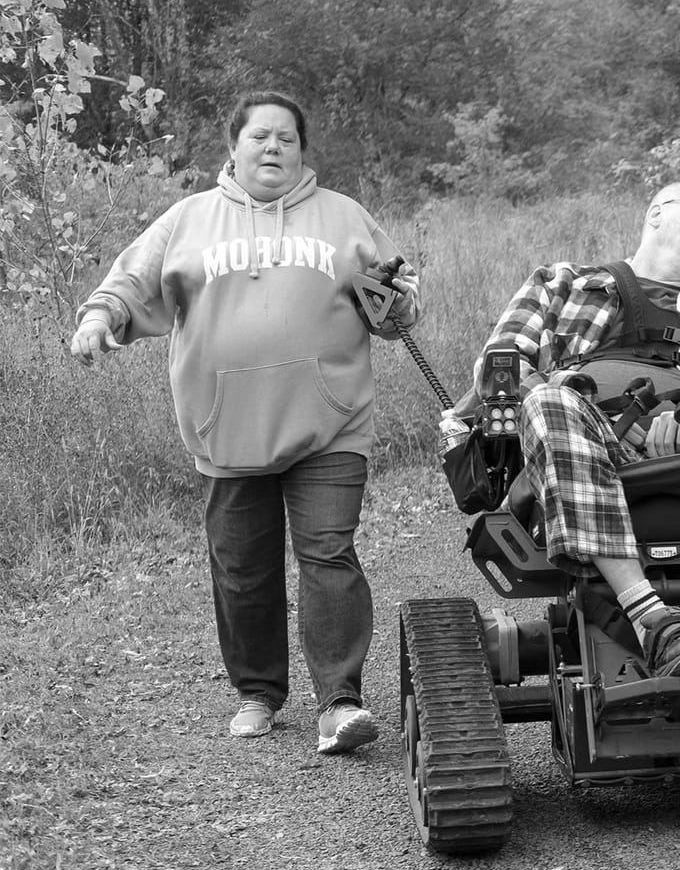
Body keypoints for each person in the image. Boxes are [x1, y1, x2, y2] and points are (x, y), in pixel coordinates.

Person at [68, 90, 419, 754]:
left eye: (286, 138)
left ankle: (340, 703)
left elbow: (399, 306)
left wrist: (397, 305)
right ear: (233, 147)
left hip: (330, 421)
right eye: (259, 136)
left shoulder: (344, 217)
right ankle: (258, 692)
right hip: (225, 426)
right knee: (242, 567)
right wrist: (96, 321)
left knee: (329, 553)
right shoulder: (188, 220)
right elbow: (129, 284)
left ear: (302, 150)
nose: (273, 148)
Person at [461, 181, 680, 680]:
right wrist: (588, 405)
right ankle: (652, 621)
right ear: (657, 214)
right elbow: (499, 365)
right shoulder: (565, 283)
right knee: (546, 397)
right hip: (583, 443)